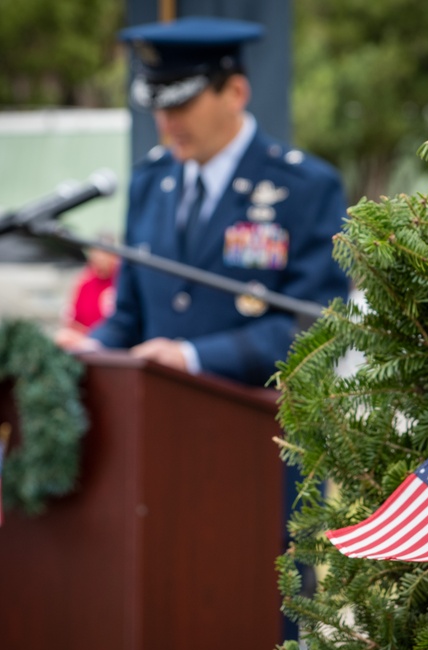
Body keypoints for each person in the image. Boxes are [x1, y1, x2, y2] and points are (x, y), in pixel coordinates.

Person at [56, 16, 350, 388]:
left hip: (255, 425)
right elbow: (130, 315)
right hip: (157, 420)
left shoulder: (305, 186)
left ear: (235, 93)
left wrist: (194, 358)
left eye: (181, 105)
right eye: (159, 108)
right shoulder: (150, 182)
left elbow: (316, 325)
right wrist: (93, 347)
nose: (166, 123)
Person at [59, 233, 119, 335]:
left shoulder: (121, 282)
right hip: (86, 340)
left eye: (104, 254)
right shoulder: (84, 282)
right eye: (95, 254)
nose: (99, 259)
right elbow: (73, 319)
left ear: (114, 256)